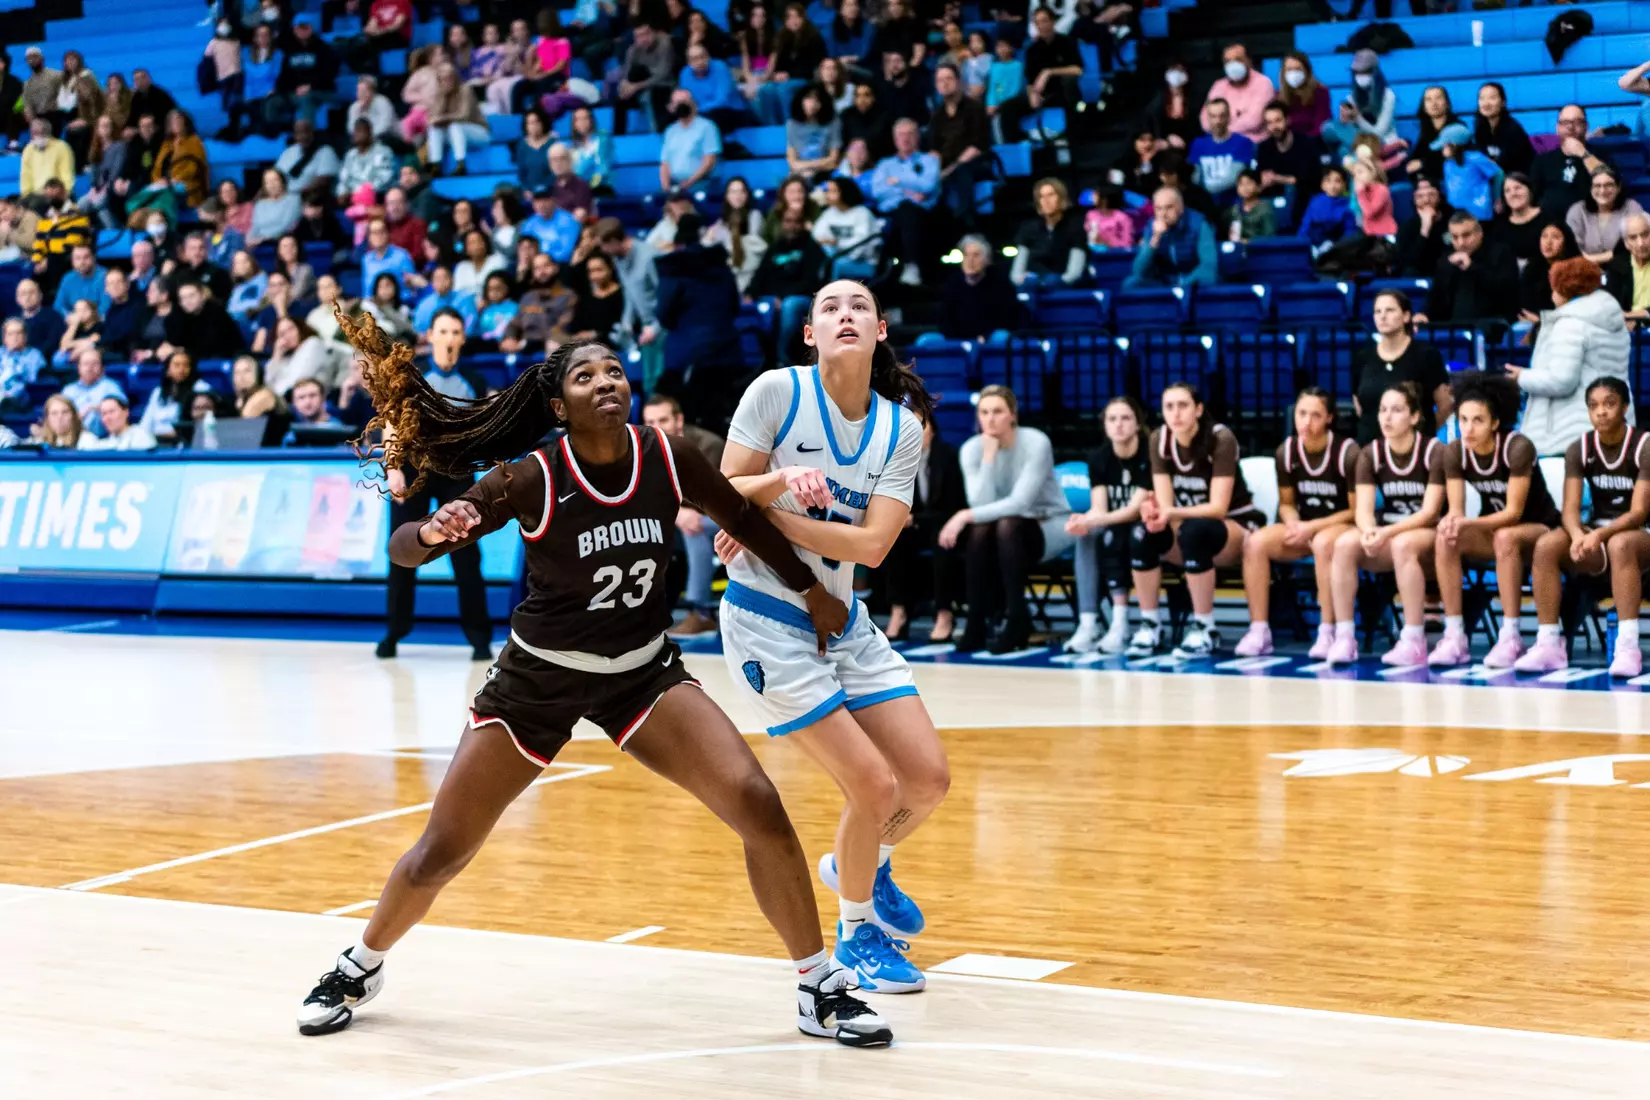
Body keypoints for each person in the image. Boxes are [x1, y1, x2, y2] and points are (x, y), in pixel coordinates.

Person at [297, 310, 890, 1048]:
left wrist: (811, 590)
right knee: (442, 851)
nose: (606, 381)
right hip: (536, 684)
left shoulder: (669, 457)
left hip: (641, 676)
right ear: (558, 407)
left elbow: (746, 516)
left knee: (757, 802)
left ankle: (818, 985)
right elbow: (403, 550)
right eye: (585, 376)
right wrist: (430, 530)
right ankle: (361, 963)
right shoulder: (531, 477)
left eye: (613, 370)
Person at [716, 278, 947, 993]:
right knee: (873, 783)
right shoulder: (775, 394)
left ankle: (863, 866)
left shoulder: (900, 429)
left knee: (927, 780)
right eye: (829, 307)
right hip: (767, 622)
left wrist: (768, 519)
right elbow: (721, 491)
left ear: (880, 332)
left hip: (844, 619)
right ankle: (856, 937)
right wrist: (778, 479)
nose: (845, 314)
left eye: (860, 307)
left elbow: (875, 546)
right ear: (810, 333)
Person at [374, 308, 494, 658]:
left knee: (467, 554)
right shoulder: (411, 377)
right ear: (430, 335)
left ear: (463, 338)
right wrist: (392, 467)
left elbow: (485, 428)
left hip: (457, 472)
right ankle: (395, 631)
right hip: (413, 469)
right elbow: (392, 422)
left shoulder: (474, 379)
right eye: (443, 331)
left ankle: (479, 637)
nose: (450, 338)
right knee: (401, 551)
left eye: (456, 332)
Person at [1514, 378, 1650, 676]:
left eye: (1609, 403)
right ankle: (1550, 643)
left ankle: (1628, 647)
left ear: (1625, 407)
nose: (1601, 411)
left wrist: (1598, 534)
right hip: (1598, 535)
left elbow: (1639, 512)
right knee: (1548, 545)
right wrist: (1577, 535)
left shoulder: (1644, 445)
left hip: (1641, 538)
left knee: (1621, 544)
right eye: (1594, 405)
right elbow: (1570, 509)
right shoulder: (1580, 447)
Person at [1427, 376, 1561, 668]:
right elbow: (1457, 510)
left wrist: (1466, 523)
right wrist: (1451, 522)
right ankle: (1454, 637)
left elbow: (1513, 513)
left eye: (1478, 420)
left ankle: (1510, 635)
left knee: (1505, 536)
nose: (1468, 428)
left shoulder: (1518, 447)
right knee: (1446, 537)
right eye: (1463, 419)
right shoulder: (1454, 451)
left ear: (1495, 423)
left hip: (1540, 528)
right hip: (1497, 531)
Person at [1127, 381, 1262, 659]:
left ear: (1199, 410)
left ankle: (1205, 628)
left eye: (1183, 405)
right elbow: (1166, 506)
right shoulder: (1159, 439)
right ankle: (1150, 624)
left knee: (1195, 530)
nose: (1175, 413)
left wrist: (1170, 513)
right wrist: (1155, 514)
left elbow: (1217, 508)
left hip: (1236, 527)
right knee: (1143, 533)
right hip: (1190, 527)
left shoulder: (1221, 439)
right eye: (1169, 407)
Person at [937, 384, 1072, 653]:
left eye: (998, 411)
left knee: (1005, 525)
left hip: (1050, 524)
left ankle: (1017, 617)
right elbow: (981, 504)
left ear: (1013, 415)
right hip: (1002, 534)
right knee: (984, 529)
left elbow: (1020, 503)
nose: (990, 418)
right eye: (984, 412)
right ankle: (976, 621)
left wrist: (964, 515)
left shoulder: (1036, 442)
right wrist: (988, 457)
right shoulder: (972, 449)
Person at [1232, 388, 1360, 659]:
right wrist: (1293, 524)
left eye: (1315, 415)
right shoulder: (1286, 451)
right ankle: (1259, 630)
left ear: (1329, 418)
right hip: (1304, 528)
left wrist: (1311, 528)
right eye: (1302, 414)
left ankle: (1327, 631)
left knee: (1324, 543)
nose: (1306, 421)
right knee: (1255, 543)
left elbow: (1355, 511)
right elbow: (1287, 503)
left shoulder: (1347, 452)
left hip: (1340, 528)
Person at [1326, 382, 1446, 667]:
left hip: (1429, 536)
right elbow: (1363, 510)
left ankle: (1414, 639)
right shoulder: (1370, 453)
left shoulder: (1434, 451)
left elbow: (1430, 512)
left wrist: (1385, 532)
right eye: (1382, 410)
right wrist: (1368, 531)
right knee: (1344, 544)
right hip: (1389, 534)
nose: (1387, 417)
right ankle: (1344, 637)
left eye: (1396, 410)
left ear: (1415, 417)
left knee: (1403, 545)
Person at [1512, 257, 1632, 457]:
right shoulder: (1612, 320)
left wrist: (1522, 377)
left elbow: (1562, 380)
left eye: (1554, 288)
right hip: (1608, 423)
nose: (1551, 295)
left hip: (1569, 432)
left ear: (1565, 290)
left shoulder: (1570, 325)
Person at [1063, 396, 1150, 656]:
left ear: (1137, 424)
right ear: (1105, 426)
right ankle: (1088, 623)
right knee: (1085, 535)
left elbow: (1135, 509)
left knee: (1120, 533)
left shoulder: (1150, 453)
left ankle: (1121, 622)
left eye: (1125, 418)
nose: (1119, 425)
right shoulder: (1099, 457)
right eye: (1112, 419)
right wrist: (1083, 521)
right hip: (1112, 522)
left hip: (1145, 524)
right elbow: (1100, 507)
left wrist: (1094, 519)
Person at [641, 394, 727, 637]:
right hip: (673, 520)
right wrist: (676, 512)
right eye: (650, 422)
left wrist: (677, 511)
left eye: (663, 420)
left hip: (718, 519)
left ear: (678, 420)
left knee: (694, 528)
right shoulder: (643, 448)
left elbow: (709, 497)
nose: (657, 428)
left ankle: (699, 613)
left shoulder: (708, 445)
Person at [1352, 290, 1449, 444]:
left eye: (1390, 310)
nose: (1382, 316)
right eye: (1377, 311)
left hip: (1416, 449)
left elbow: (1445, 404)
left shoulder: (1427, 355)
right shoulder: (1362, 357)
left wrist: (1425, 434)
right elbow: (1359, 405)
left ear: (1406, 316)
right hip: (1369, 447)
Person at [1416, 212, 1519, 330]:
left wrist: (1471, 267)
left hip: (1492, 326)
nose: (1461, 242)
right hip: (1453, 330)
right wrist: (1424, 313)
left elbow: (1507, 292)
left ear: (1479, 233)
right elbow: (1436, 296)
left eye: (1466, 235)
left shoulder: (1501, 253)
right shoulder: (1447, 259)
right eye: (1455, 237)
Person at [868, 118, 939, 286]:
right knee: (903, 208)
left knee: (908, 210)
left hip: (922, 214)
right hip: (890, 213)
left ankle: (911, 266)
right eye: (901, 135)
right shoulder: (884, 164)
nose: (905, 138)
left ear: (918, 138)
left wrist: (897, 180)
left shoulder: (929, 161)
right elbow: (878, 191)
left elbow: (928, 185)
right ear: (895, 139)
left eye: (910, 134)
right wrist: (909, 190)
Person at [996, 8, 1080, 144]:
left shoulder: (1067, 42)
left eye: (1044, 21)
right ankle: (1018, 146)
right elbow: (1030, 79)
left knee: (1069, 84)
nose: (1041, 26)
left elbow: (1077, 70)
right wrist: (1032, 94)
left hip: (1061, 91)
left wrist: (1048, 72)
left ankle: (1069, 139)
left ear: (1053, 22)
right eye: (1037, 23)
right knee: (1008, 107)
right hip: (1040, 94)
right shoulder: (1031, 50)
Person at [927, 64, 990, 228]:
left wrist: (951, 168)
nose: (944, 83)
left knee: (962, 173)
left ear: (959, 81)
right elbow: (934, 149)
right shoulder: (937, 116)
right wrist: (935, 172)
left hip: (975, 162)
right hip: (947, 166)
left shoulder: (974, 108)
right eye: (940, 80)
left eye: (949, 78)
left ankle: (968, 228)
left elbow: (977, 146)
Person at [1125, 186, 1216, 289]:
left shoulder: (1199, 224)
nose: (1163, 214)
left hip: (1192, 281)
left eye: (1169, 207)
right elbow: (1139, 271)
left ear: (1181, 208)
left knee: (1209, 277)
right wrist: (1155, 239)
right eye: (1158, 209)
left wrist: (1182, 286)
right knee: (1131, 283)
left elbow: (1208, 264)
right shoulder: (1152, 226)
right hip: (1164, 281)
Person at [1530, 105, 1608, 219]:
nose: (1570, 127)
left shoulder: (1600, 156)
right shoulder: (1542, 160)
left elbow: (1609, 182)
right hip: (1551, 227)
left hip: (1591, 221)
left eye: (1577, 122)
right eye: (1565, 122)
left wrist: (1583, 153)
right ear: (1557, 128)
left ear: (1586, 126)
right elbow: (1532, 197)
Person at [938, 233, 1019, 340]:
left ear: (987, 260)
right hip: (958, 340)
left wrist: (985, 336)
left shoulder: (1001, 285)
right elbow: (945, 321)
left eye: (976, 255)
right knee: (927, 340)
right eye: (966, 255)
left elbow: (1006, 320)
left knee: (1001, 337)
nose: (970, 260)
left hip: (989, 339)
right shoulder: (952, 285)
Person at [1255, 100, 1323, 227]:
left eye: (1278, 120)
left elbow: (1308, 180)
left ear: (1287, 120)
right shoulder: (1264, 148)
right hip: (1274, 197)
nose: (1274, 127)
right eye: (1269, 123)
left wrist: (1277, 178)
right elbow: (1264, 177)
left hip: (1304, 198)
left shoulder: (1306, 143)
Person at [609, 22, 676, 136]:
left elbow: (662, 75)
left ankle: (656, 134)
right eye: (639, 36)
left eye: (646, 34)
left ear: (653, 33)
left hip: (663, 86)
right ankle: (618, 137)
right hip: (641, 86)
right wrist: (625, 87)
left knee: (650, 95)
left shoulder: (665, 45)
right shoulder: (633, 50)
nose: (643, 39)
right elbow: (627, 74)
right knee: (620, 100)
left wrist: (636, 87)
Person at [1567, 167, 1642, 267]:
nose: (1602, 190)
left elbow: (1636, 244)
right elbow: (1572, 248)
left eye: (1609, 185)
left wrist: (1592, 259)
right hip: (1583, 269)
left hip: (1624, 269)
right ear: (1590, 189)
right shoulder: (1577, 210)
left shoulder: (1632, 207)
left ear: (1618, 187)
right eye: (1597, 186)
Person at [1200, 42, 1273, 144]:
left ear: (1248, 61)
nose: (1233, 65)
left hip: (1252, 144)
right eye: (1228, 61)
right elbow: (1205, 120)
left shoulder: (1263, 83)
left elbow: (1254, 121)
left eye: (1238, 59)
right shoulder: (1218, 86)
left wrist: (1222, 130)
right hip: (1220, 144)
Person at [426, 63, 490, 176]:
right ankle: (435, 165)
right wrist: (443, 98)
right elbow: (433, 118)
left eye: (449, 78)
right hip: (454, 135)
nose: (446, 82)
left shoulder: (465, 90)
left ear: (455, 77)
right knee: (434, 128)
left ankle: (461, 164)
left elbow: (464, 115)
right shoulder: (439, 94)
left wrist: (442, 118)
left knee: (455, 125)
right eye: (442, 80)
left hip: (477, 132)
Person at [1189, 98, 1255, 203]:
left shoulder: (1242, 142)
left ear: (1229, 117)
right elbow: (1195, 178)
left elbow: (1236, 177)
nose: (1217, 121)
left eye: (1222, 116)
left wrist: (1208, 192)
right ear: (1208, 118)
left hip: (1233, 204)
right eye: (1213, 116)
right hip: (1205, 204)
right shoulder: (1198, 144)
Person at [658, 89, 722, 191]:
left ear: (693, 104)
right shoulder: (670, 131)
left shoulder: (707, 127)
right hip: (675, 183)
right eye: (677, 103)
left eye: (683, 102)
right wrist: (665, 187)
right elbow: (665, 163)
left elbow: (709, 161)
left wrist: (688, 182)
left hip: (701, 182)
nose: (680, 106)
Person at [787, 82, 842, 186]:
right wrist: (811, 168)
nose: (812, 104)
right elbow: (792, 162)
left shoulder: (833, 122)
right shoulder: (792, 124)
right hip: (801, 173)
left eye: (817, 100)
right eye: (808, 98)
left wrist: (810, 168)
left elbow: (834, 159)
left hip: (825, 173)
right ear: (801, 100)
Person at [1473, 82, 1532, 177]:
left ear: (1503, 102)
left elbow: (1506, 164)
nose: (1486, 103)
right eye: (1482, 98)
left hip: (1517, 178)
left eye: (1492, 98)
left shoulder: (1513, 130)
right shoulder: (1480, 128)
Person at [1396, 175, 1449, 278]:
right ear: (1414, 200)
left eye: (1431, 195)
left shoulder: (1452, 220)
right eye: (1420, 196)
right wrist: (1425, 229)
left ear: (1439, 196)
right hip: (1420, 272)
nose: (1426, 200)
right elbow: (1408, 262)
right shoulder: (1407, 227)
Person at [1298, 166, 1357, 252]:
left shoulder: (1347, 206)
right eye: (1328, 181)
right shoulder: (1315, 202)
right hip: (1313, 246)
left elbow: (1349, 232)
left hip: (1336, 249)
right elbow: (1305, 226)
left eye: (1337, 181)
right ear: (1322, 184)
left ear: (1344, 184)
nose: (1333, 186)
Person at [1345, 49, 1396, 145]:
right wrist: (1347, 120)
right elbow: (1352, 131)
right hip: (1359, 142)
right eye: (1357, 72)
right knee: (1330, 128)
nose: (1360, 76)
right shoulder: (1351, 97)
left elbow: (1380, 132)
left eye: (1365, 72)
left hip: (1384, 142)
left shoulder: (1388, 96)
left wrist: (1358, 117)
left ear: (1375, 72)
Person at [1608, 212, 1650, 324]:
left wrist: (1643, 314)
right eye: (1633, 238)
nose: (1641, 243)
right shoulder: (1617, 265)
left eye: (1645, 235)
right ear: (1626, 243)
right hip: (1627, 331)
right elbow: (1612, 305)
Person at [1276, 51, 1328, 139]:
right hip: (1287, 143)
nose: (1293, 73)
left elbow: (1321, 124)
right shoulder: (1278, 96)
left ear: (1306, 71)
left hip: (1313, 142)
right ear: (1283, 72)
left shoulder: (1320, 92)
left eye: (1298, 69)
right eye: (1289, 69)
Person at [77, 394, 156, 451]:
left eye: (111, 412)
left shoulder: (140, 435)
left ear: (126, 412)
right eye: (104, 414)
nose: (107, 418)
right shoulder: (105, 443)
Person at [20, 119, 73, 203]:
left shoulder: (62, 147)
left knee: (36, 205)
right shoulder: (28, 150)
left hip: (56, 193)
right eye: (34, 133)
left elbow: (67, 174)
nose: (36, 136)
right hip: (35, 194)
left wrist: (65, 192)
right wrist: (25, 195)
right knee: (19, 206)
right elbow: (25, 175)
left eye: (40, 133)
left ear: (48, 133)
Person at [1223, 169, 1276, 242]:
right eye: (1241, 184)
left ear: (1259, 187)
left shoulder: (1265, 209)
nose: (1244, 187)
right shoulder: (1233, 210)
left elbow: (1270, 237)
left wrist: (1249, 242)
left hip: (1259, 249)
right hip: (1238, 249)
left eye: (1249, 183)